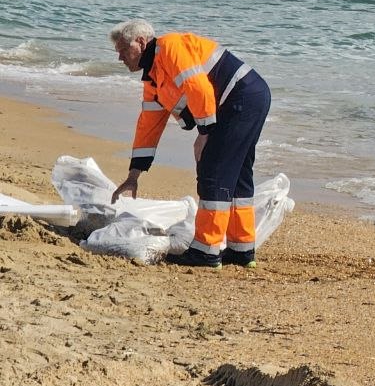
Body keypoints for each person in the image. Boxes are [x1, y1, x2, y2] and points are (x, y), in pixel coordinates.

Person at [109, 19, 272, 270]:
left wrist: (204, 133)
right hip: (248, 97)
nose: (120, 57)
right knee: (237, 173)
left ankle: (206, 252)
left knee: (213, 171)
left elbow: (198, 87)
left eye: (123, 50)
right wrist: (134, 175)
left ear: (141, 42)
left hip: (241, 97)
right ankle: (241, 250)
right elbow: (148, 127)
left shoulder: (170, 47)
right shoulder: (153, 79)